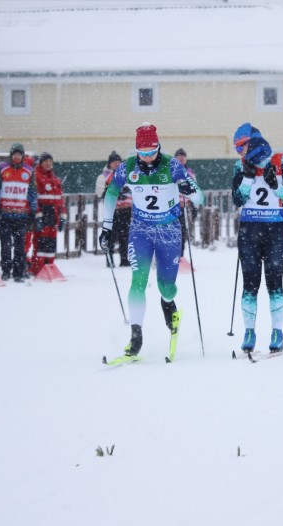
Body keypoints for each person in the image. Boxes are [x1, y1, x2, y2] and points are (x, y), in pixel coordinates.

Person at [98, 123, 204, 359]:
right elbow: (112, 192)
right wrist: (106, 227)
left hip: (169, 232)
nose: (147, 158)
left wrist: (188, 188)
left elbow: (200, 197)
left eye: (151, 152)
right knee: (138, 280)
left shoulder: (172, 165)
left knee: (166, 287)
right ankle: (136, 337)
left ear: (159, 147)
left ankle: (169, 304)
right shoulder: (128, 167)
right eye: (142, 153)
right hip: (141, 230)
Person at [231, 122, 283, 353]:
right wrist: (247, 180)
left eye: (240, 146)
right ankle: (249, 331)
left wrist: (275, 186)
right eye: (236, 147)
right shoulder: (240, 165)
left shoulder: (281, 161)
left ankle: (277, 332)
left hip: (275, 231)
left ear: (252, 142)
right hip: (249, 231)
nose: (238, 151)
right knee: (250, 284)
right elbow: (237, 200)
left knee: (274, 284)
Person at [0, 142, 38, 282]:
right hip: (5, 214)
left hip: (21, 215)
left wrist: (33, 210)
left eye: (19, 155)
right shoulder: (2, 169)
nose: (17, 157)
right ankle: (6, 271)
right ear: (11, 155)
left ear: (23, 156)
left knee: (20, 246)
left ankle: (18, 272)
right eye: (15, 155)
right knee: (5, 245)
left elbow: (32, 192)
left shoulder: (29, 171)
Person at [28, 152, 67, 276]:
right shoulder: (36, 177)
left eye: (50, 161)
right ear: (41, 163)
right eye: (46, 161)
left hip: (54, 216)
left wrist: (62, 216)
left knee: (51, 243)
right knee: (40, 243)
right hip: (43, 214)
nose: (48, 164)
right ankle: (38, 269)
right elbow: (34, 198)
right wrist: (38, 215)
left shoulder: (55, 179)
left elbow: (60, 200)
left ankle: (49, 267)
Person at [101, 151, 132, 267]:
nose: (116, 164)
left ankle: (124, 259)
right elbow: (104, 194)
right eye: (114, 162)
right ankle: (110, 260)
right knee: (111, 236)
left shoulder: (128, 177)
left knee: (125, 236)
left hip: (126, 209)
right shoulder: (108, 178)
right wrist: (116, 194)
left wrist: (126, 193)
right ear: (110, 164)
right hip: (114, 211)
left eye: (118, 162)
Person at [174, 148, 199, 254]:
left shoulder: (189, 172)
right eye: (179, 159)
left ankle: (181, 254)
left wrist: (195, 206)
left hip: (184, 206)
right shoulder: (170, 171)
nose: (181, 161)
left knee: (183, 231)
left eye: (183, 159)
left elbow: (195, 189)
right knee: (173, 231)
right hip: (173, 206)